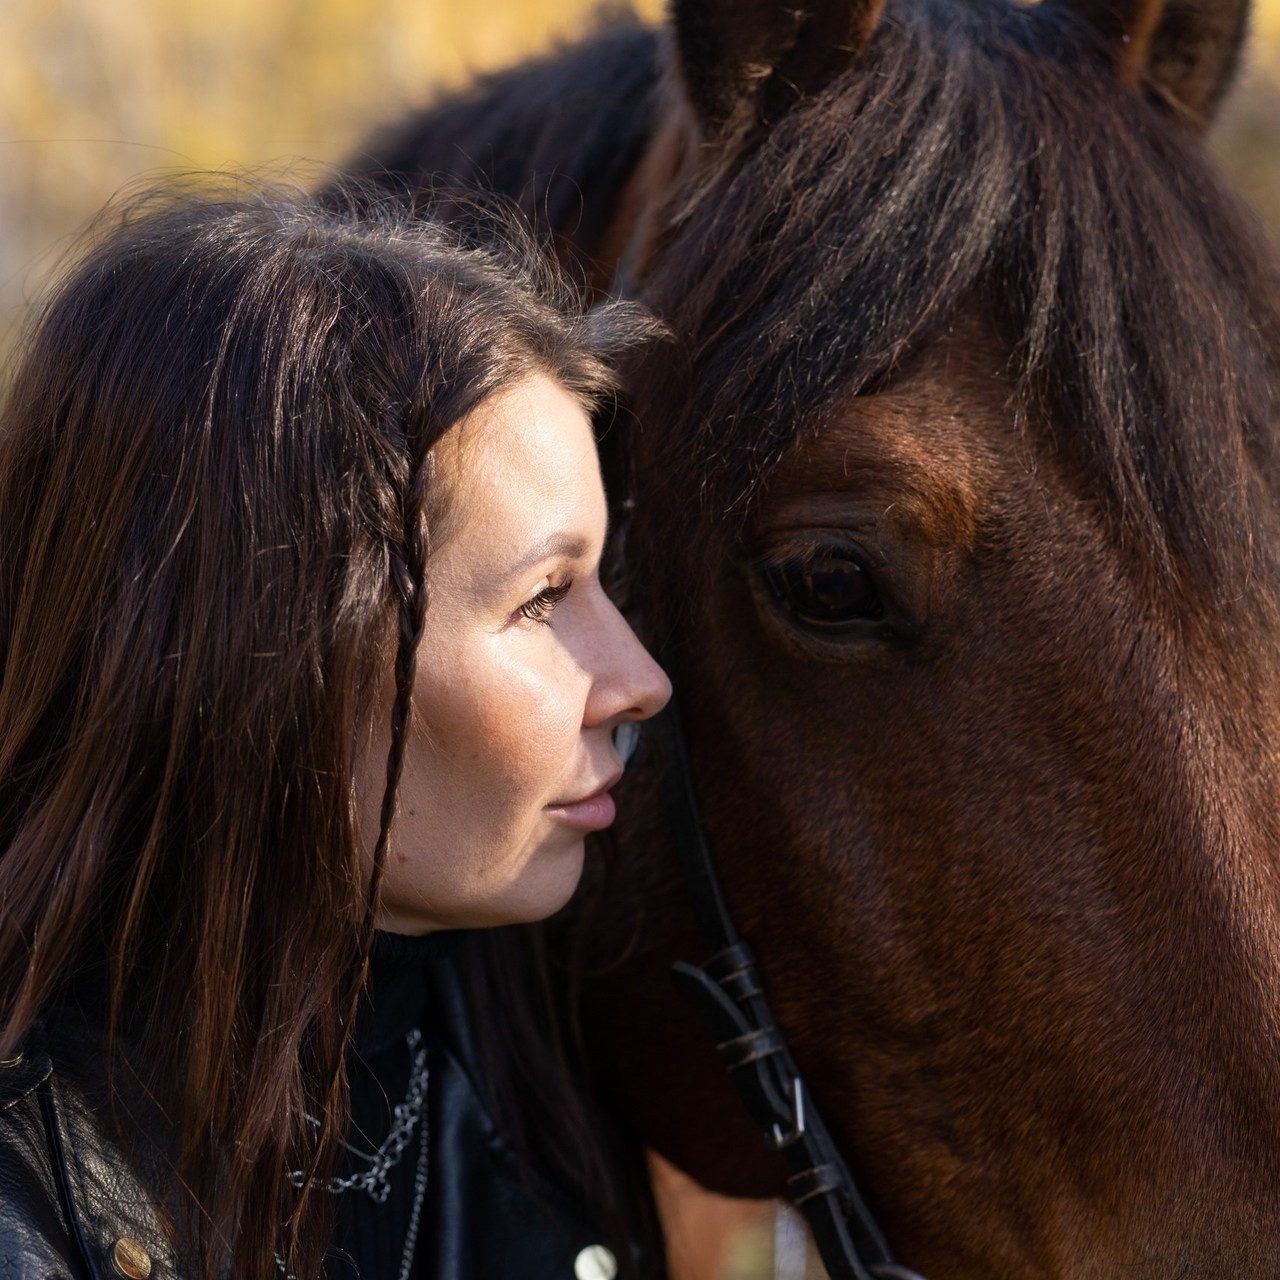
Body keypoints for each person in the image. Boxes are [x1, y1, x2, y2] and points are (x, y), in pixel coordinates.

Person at [0, 185, 672, 1280]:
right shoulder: (31, 1188)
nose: (638, 679)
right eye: (545, 600)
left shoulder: (534, 1082)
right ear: (275, 643)